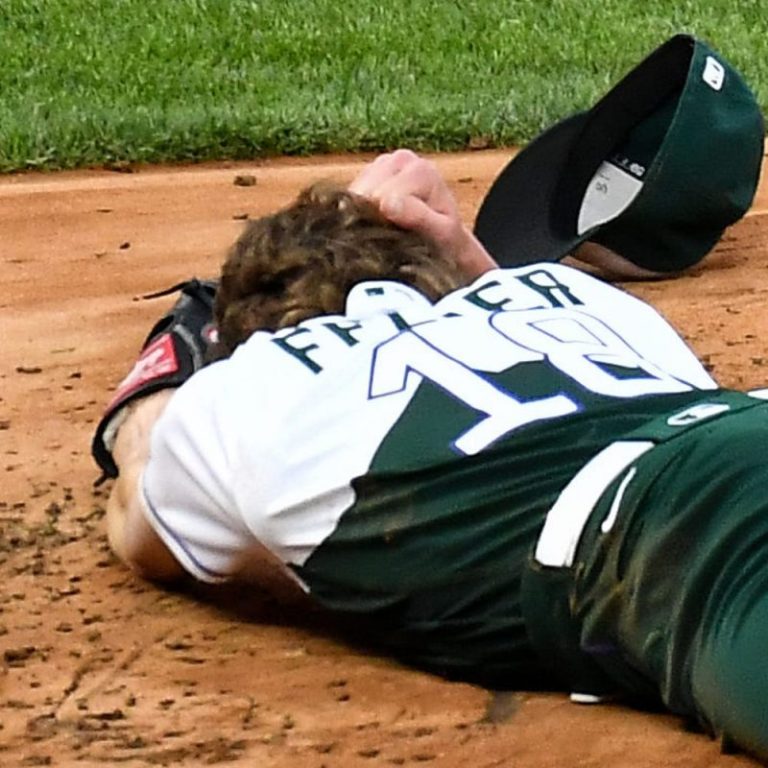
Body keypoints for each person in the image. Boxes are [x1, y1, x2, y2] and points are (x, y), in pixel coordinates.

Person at [95, 150, 768, 762]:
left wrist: (163, 374)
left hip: (685, 543)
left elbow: (139, 520)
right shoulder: (586, 301)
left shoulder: (246, 388)